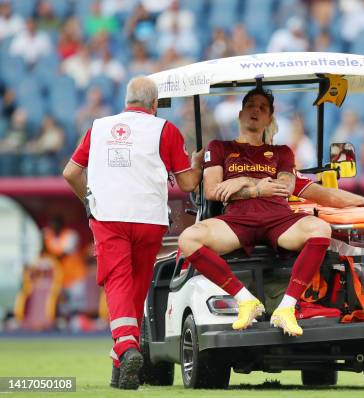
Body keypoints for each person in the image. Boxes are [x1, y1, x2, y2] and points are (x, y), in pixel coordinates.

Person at [63, 76, 203, 390]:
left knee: (118, 282)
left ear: (126, 101)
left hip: (109, 216)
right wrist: (196, 162)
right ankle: (120, 368)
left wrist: (89, 200)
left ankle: (127, 347)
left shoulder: (98, 128)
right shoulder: (165, 130)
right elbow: (188, 184)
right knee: (137, 286)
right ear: (155, 105)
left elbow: (70, 172)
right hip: (149, 218)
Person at [177, 87, 331, 337]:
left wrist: (243, 181)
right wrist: (257, 188)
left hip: (278, 218)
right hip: (237, 219)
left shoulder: (282, 152)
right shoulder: (219, 147)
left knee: (321, 229)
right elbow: (212, 190)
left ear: (269, 118)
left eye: (262, 108)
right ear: (240, 114)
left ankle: (287, 308)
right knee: (187, 239)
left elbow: (285, 187)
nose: (255, 111)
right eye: (250, 105)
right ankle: (246, 300)